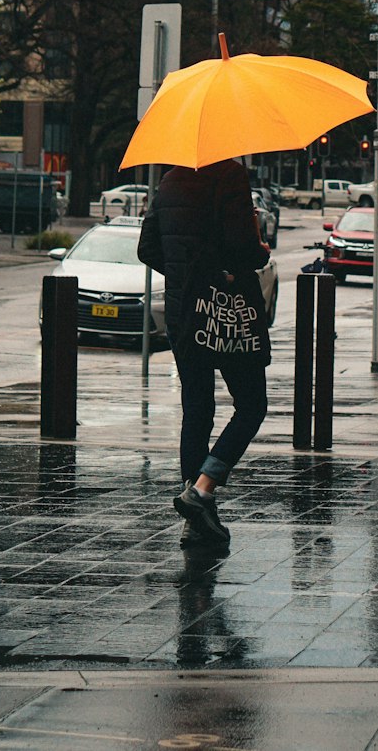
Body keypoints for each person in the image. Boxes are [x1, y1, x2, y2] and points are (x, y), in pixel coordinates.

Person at [138, 157, 270, 551]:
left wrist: (185, 274)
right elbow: (241, 248)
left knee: (197, 409)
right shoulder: (230, 174)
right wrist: (259, 249)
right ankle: (203, 488)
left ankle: (195, 522)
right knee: (252, 405)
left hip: (183, 313)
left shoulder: (170, 181)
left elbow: (147, 249)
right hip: (223, 311)